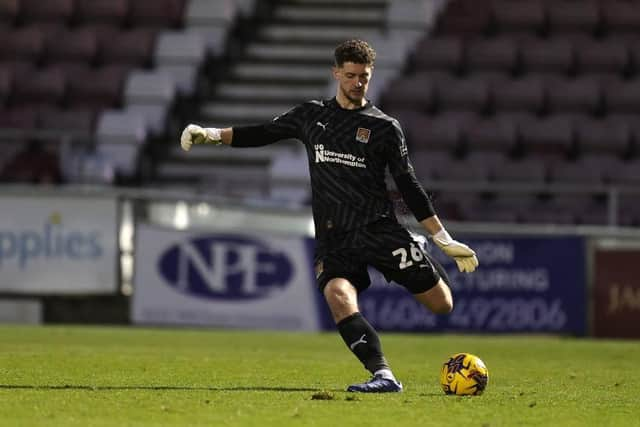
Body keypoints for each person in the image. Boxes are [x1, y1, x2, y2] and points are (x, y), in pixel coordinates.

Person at [180, 39, 479, 393]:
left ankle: (420, 254)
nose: (357, 83)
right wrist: (212, 135)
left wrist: (441, 237)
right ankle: (383, 375)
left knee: (442, 305)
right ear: (336, 73)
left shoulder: (385, 127)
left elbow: (409, 185)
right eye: (350, 75)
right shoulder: (312, 116)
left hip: (379, 229)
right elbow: (262, 133)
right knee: (338, 295)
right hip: (335, 237)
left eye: (364, 77)